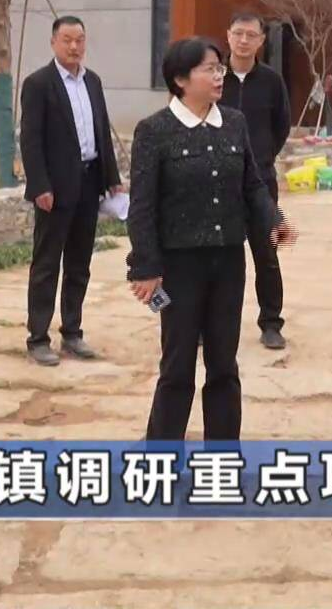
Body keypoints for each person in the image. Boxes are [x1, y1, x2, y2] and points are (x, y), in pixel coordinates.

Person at [127, 37, 294, 441]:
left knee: (223, 365)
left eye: (220, 68)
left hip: (227, 262)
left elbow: (252, 184)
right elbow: (142, 206)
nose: (219, 76)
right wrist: (146, 267)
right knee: (178, 366)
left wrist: (275, 219)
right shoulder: (154, 131)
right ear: (181, 79)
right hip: (178, 267)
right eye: (209, 69)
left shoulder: (234, 123)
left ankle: (222, 459)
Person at [19, 15, 122, 366]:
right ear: (53, 42)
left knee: (79, 263)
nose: (74, 46)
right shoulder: (38, 84)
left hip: (89, 183)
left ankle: (73, 332)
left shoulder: (93, 82)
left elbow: (102, 132)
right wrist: (39, 186)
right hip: (55, 188)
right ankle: (38, 338)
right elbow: (30, 140)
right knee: (47, 264)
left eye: (79, 40)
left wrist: (112, 177)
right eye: (67, 40)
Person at [221, 12, 293, 350]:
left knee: (267, 255)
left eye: (251, 35)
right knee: (220, 258)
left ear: (262, 40)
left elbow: (282, 126)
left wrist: (261, 158)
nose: (244, 40)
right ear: (228, 35)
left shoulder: (271, 81)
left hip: (261, 184)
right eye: (238, 33)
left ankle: (271, 323)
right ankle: (214, 324)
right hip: (219, 183)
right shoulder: (214, 77)